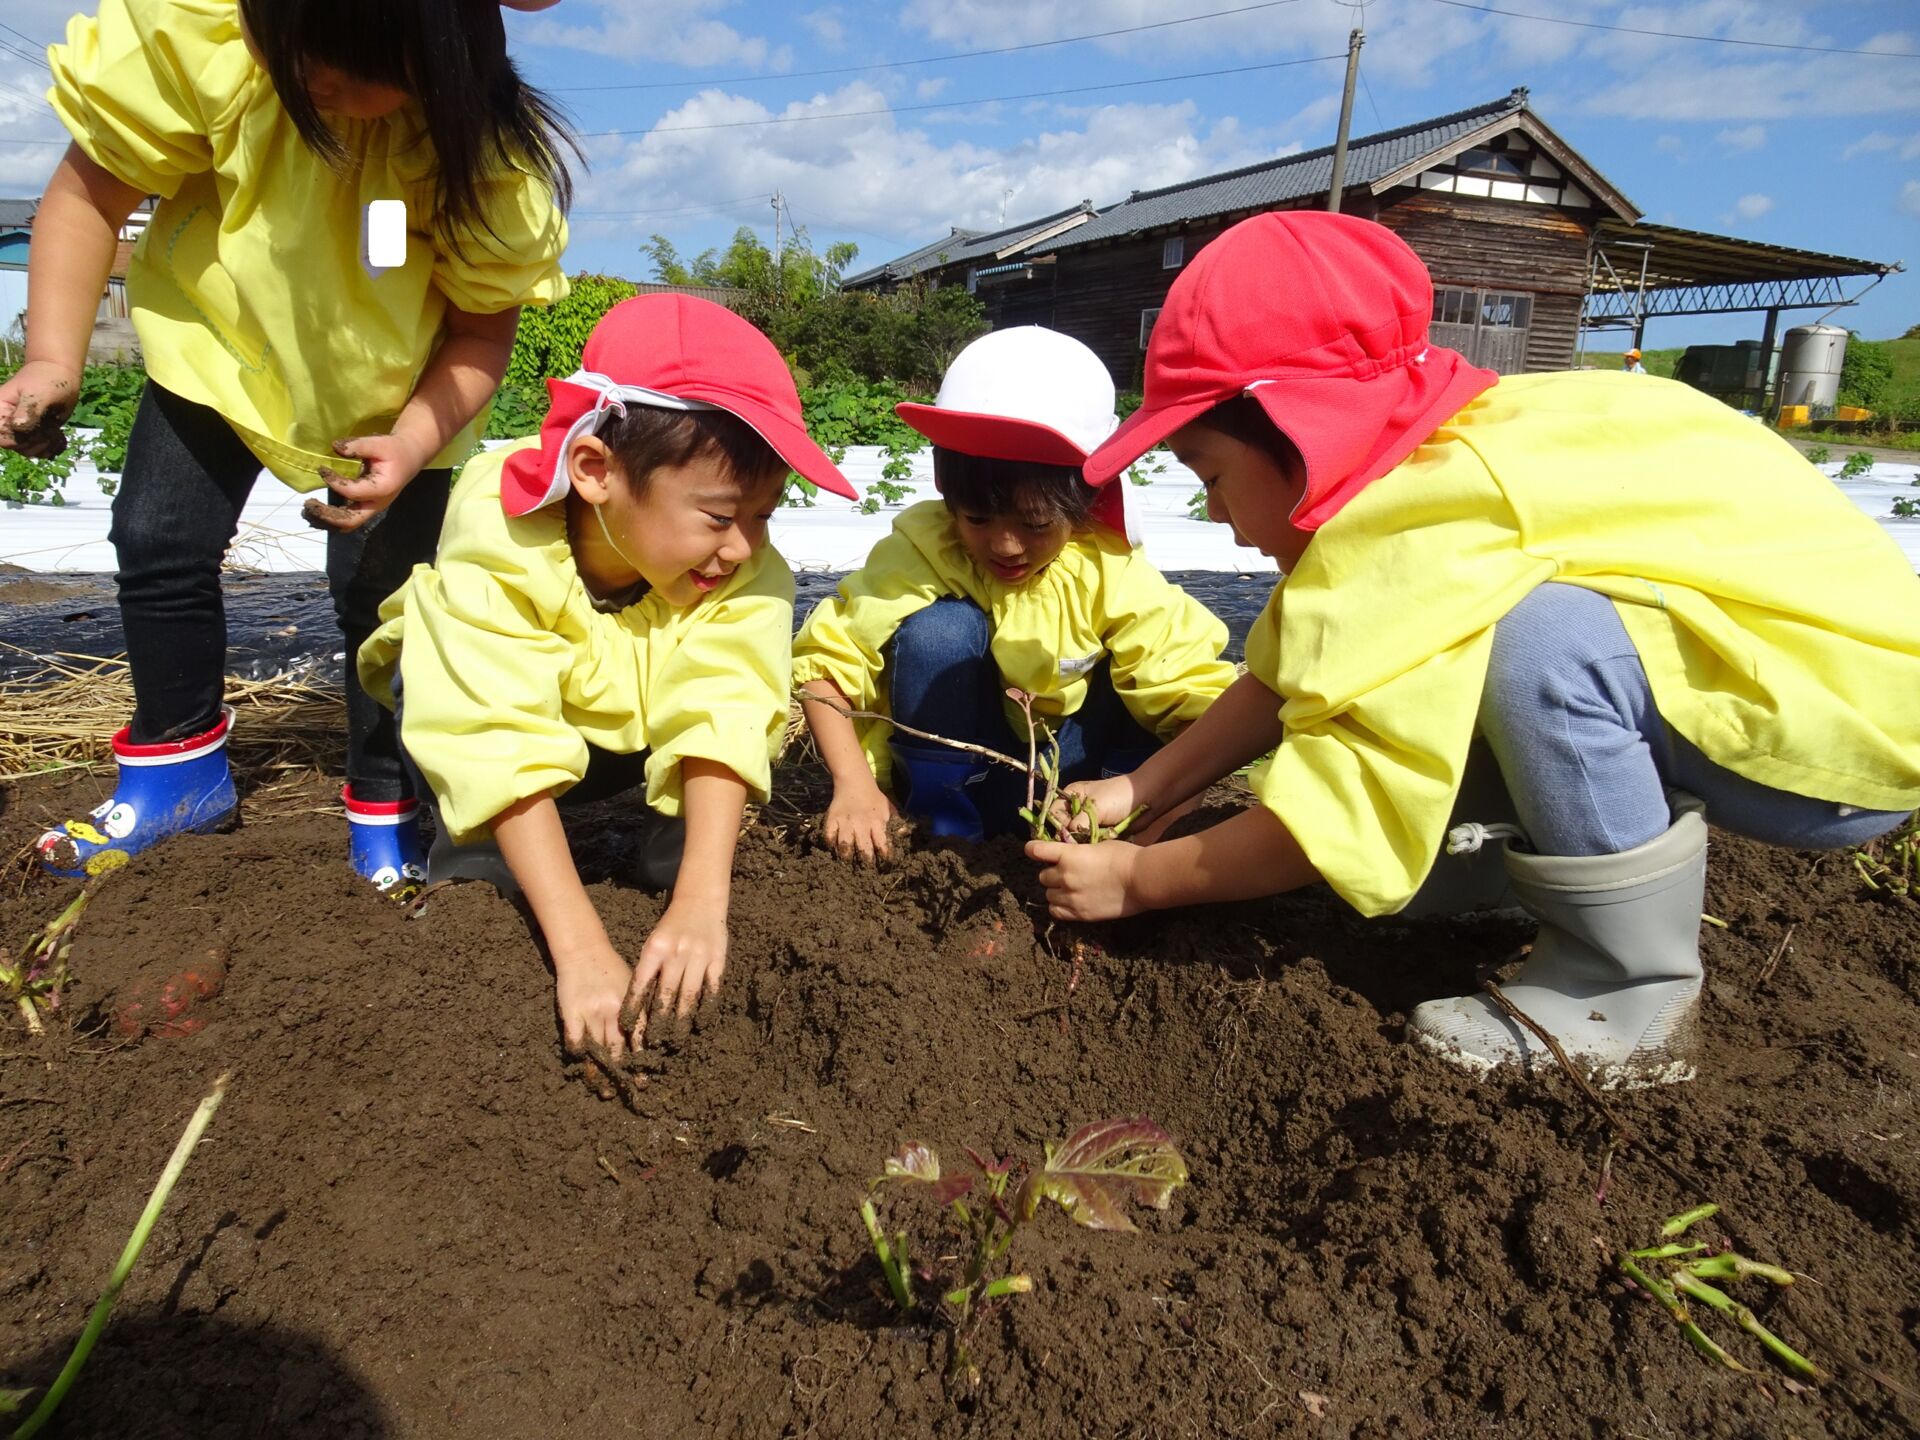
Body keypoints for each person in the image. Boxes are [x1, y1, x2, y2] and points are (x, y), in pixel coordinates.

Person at [1029, 211, 1920, 1088]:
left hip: (1838, 757)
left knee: (1536, 643)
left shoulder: (1427, 527)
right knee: (1486, 641)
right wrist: (1146, 786)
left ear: (1302, 431)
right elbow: (1288, 660)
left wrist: (1140, 880)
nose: (1214, 513)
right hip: (1835, 688)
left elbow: (1331, 818)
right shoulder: (1453, 443)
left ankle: (1627, 992)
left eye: (1209, 476)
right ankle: (1498, 873)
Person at [14, 0, 573, 893]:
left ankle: (388, 806)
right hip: (220, 352)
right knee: (158, 542)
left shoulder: (477, 163)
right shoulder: (220, 54)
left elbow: (478, 334)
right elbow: (91, 192)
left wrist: (414, 437)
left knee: (382, 607)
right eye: (300, 58)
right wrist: (51, 356)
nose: (319, 85)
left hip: (396, 407)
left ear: (440, 62)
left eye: (352, 71)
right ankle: (177, 774)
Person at [359, 294, 855, 1060]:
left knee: (684, 850)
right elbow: (492, 725)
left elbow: (727, 704)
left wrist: (700, 901)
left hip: (629, 739)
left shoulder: (745, 573)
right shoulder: (500, 527)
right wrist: (582, 948)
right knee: (434, 667)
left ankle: (670, 842)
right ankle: (481, 846)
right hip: (524, 734)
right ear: (595, 471)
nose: (740, 547)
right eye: (721, 518)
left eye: (763, 516)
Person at [793, 326, 1237, 859]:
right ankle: (944, 833)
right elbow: (826, 661)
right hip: (967, 772)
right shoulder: (927, 547)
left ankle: (1125, 823)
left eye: (1035, 523)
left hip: (1079, 789)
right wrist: (855, 785)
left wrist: (1164, 805)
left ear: (1083, 503)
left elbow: (1194, 697)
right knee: (940, 632)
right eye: (977, 518)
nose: (1005, 545)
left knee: (1141, 672)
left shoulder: (1106, 565)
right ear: (945, 489)